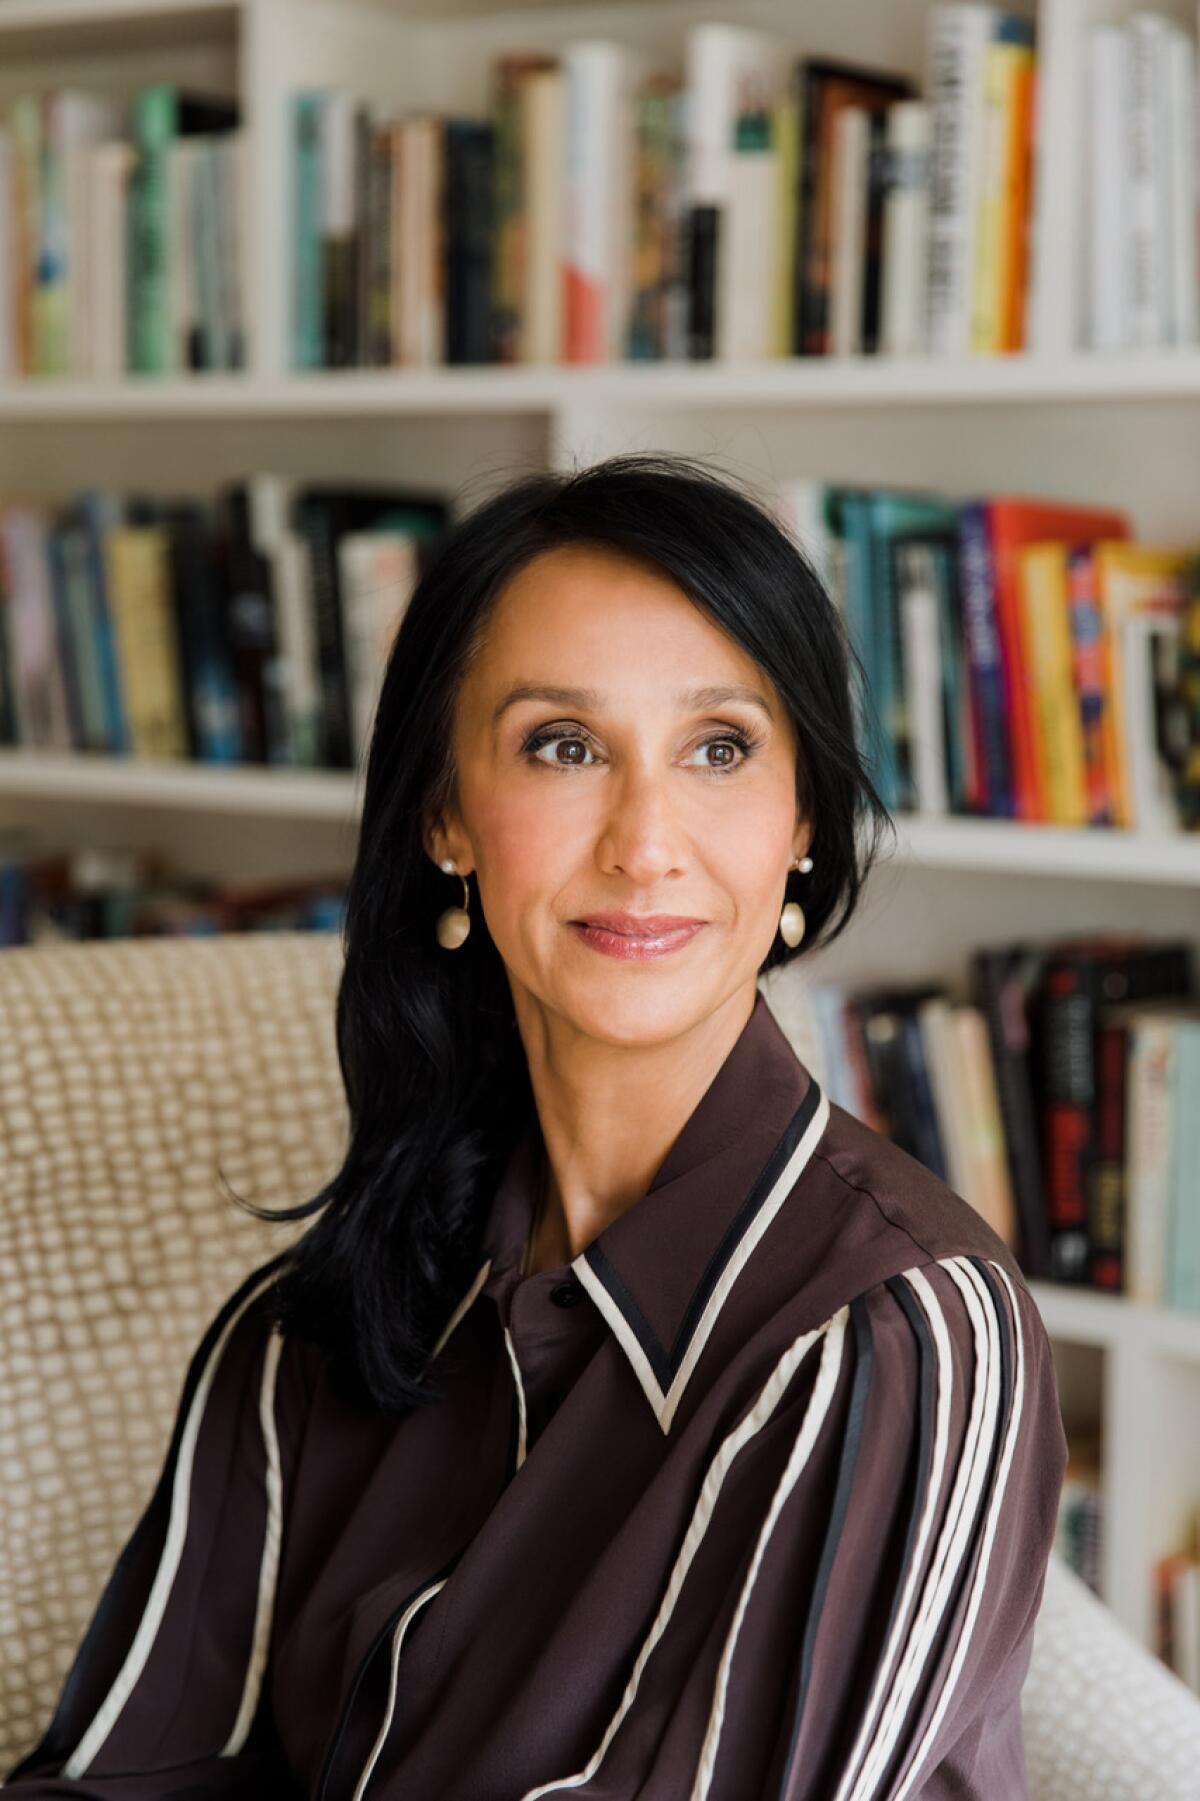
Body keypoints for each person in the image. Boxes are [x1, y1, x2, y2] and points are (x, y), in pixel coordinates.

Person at [4, 452, 1068, 1799]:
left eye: (720, 748)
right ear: (447, 813)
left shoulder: (901, 1334)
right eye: (564, 745)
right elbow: (120, 1776)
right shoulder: (307, 1339)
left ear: (801, 822)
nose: (644, 840)